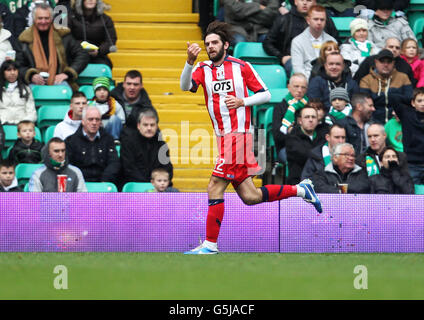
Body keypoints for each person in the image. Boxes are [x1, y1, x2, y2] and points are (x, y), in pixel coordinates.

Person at [180, 21, 322, 255]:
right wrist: (189, 61)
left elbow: (265, 94)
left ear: (226, 44)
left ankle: (210, 245)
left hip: (238, 136)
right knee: (251, 196)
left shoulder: (241, 66)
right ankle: (301, 190)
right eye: (207, 44)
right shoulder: (202, 69)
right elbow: (185, 86)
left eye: (215, 42)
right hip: (223, 137)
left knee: (215, 186)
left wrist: (242, 101)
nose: (210, 46)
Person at [15, 2, 89, 88]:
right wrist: (31, 76)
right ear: (34, 19)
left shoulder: (63, 35)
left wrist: (67, 74)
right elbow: (19, 64)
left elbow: (82, 55)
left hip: (60, 82)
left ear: (52, 19)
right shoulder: (24, 39)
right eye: (40, 18)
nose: (43, 21)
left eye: (46, 18)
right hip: (33, 84)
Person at [262, 0, 339, 76]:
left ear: (315, 2)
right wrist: (281, 57)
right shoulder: (284, 19)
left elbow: (337, 42)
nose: (305, 3)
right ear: (295, 2)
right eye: (302, 0)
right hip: (292, 59)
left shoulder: (325, 21)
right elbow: (268, 42)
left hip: (322, 60)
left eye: (309, 0)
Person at [65, 105, 121, 183]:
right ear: (83, 121)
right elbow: (69, 166)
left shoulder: (108, 139)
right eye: (90, 119)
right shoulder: (71, 141)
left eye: (97, 119)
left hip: (104, 183)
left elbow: (114, 163)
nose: (94, 123)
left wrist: (105, 181)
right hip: (80, 185)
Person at [120, 108, 173, 184]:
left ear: (156, 126)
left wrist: (155, 184)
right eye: (145, 125)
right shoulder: (128, 143)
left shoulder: (162, 145)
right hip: (135, 186)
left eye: (152, 125)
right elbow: (129, 169)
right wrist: (147, 185)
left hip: (157, 188)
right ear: (138, 126)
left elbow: (167, 170)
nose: (149, 128)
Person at [359, 49, 412, 124]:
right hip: (373, 122)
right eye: (382, 61)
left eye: (389, 62)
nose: (386, 64)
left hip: (398, 120)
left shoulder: (403, 78)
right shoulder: (366, 80)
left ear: (393, 63)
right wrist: (395, 97)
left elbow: (409, 99)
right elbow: (365, 103)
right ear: (376, 62)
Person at [290, 5, 337, 79]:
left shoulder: (332, 41)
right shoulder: (297, 42)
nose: (319, 22)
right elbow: (298, 70)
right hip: (307, 82)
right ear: (308, 20)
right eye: (316, 19)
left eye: (322, 20)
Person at [68, 0, 117, 68]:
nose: (91, 0)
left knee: (105, 67)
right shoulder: (72, 17)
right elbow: (67, 38)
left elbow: (111, 40)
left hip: (98, 55)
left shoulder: (105, 19)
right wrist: (79, 49)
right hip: (76, 55)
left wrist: (99, 51)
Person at [285, 105, 327, 184]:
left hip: (320, 181)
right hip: (298, 182)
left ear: (318, 120)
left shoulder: (323, 135)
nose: (310, 120)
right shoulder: (292, 137)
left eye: (313, 117)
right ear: (300, 120)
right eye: (307, 117)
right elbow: (304, 154)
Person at [272, 73, 308, 163]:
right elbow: (277, 136)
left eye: (303, 87)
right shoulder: (280, 108)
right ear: (289, 87)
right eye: (296, 86)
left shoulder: (310, 107)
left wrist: (292, 130)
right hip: (286, 147)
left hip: (308, 145)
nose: (299, 90)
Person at [391, 87, 424, 185]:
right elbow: (393, 97)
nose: (423, 103)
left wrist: (416, 99)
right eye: (419, 101)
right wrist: (412, 99)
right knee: (411, 195)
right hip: (412, 164)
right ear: (413, 103)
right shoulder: (407, 113)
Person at [88, 76, 125, 141]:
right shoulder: (90, 105)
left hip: (111, 132)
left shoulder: (115, 104)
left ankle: (114, 140)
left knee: (114, 118)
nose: (102, 92)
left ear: (108, 91)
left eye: (105, 90)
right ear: (95, 92)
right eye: (99, 90)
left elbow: (122, 121)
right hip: (95, 131)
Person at [0, 60, 36, 125]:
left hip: (23, 127)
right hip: (2, 126)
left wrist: (22, 123)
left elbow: (32, 113)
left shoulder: (26, 89)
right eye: (9, 70)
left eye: (15, 70)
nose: (12, 73)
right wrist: (3, 122)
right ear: (3, 72)